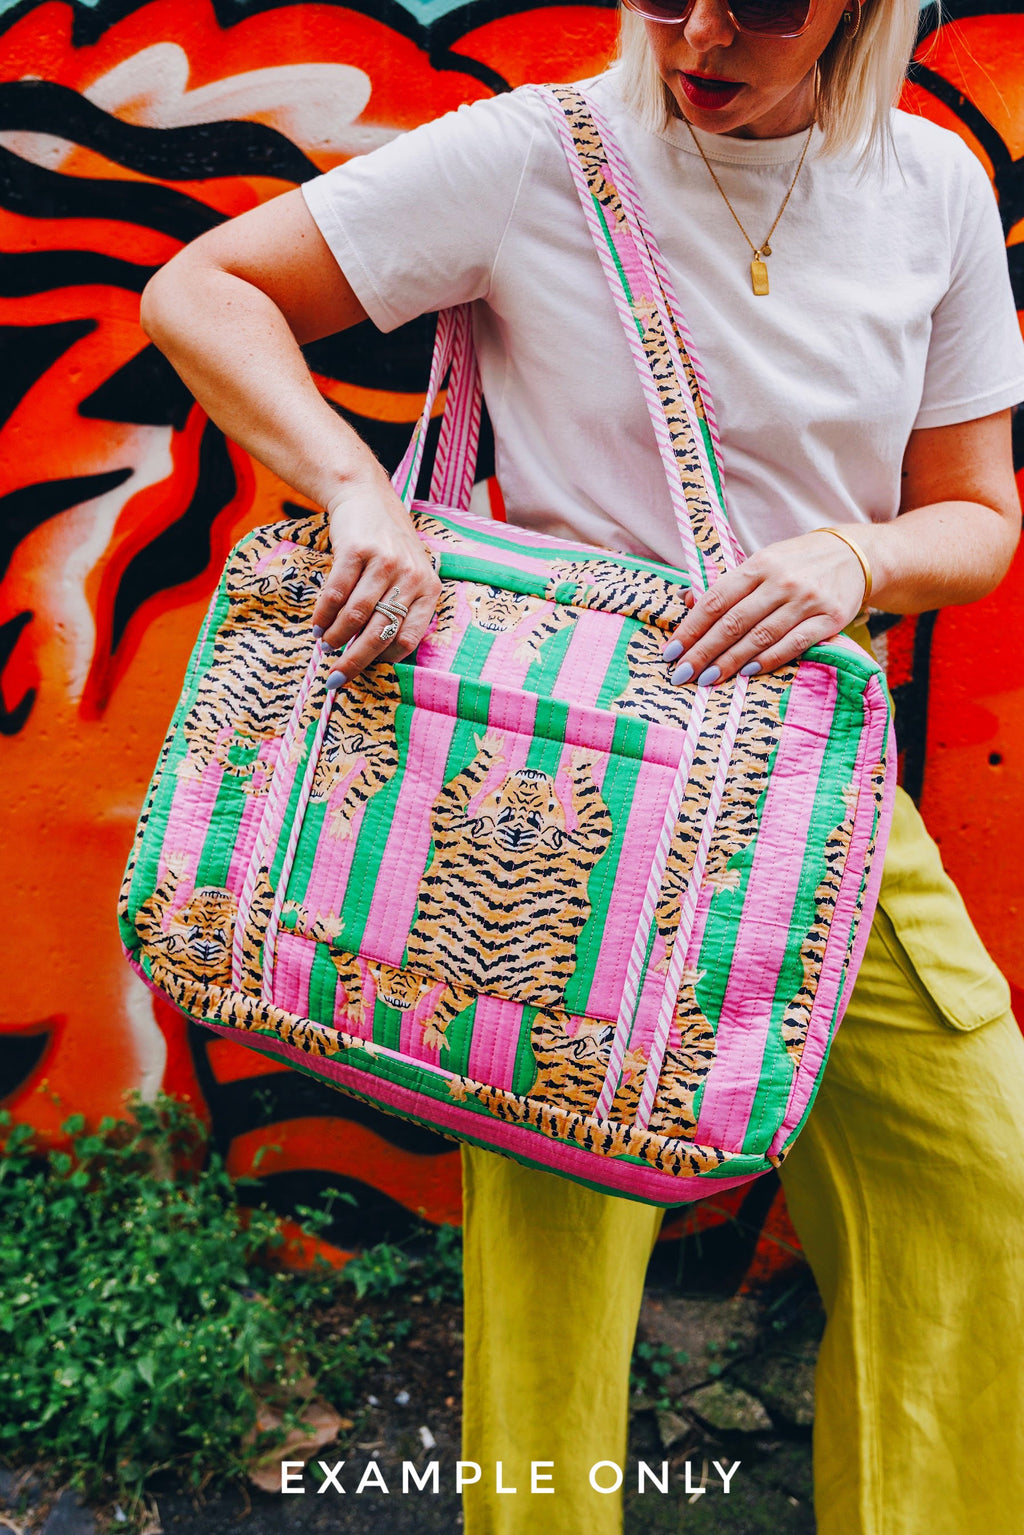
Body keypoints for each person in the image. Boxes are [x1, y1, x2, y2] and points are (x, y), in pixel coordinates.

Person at [139, 0, 1024, 1529]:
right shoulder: (538, 153)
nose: (701, 33)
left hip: (810, 795)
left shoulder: (933, 186)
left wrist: (846, 557)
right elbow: (203, 289)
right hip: (563, 802)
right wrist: (359, 492)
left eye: (757, 3)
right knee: (558, 1257)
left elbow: (978, 514)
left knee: (973, 1171)